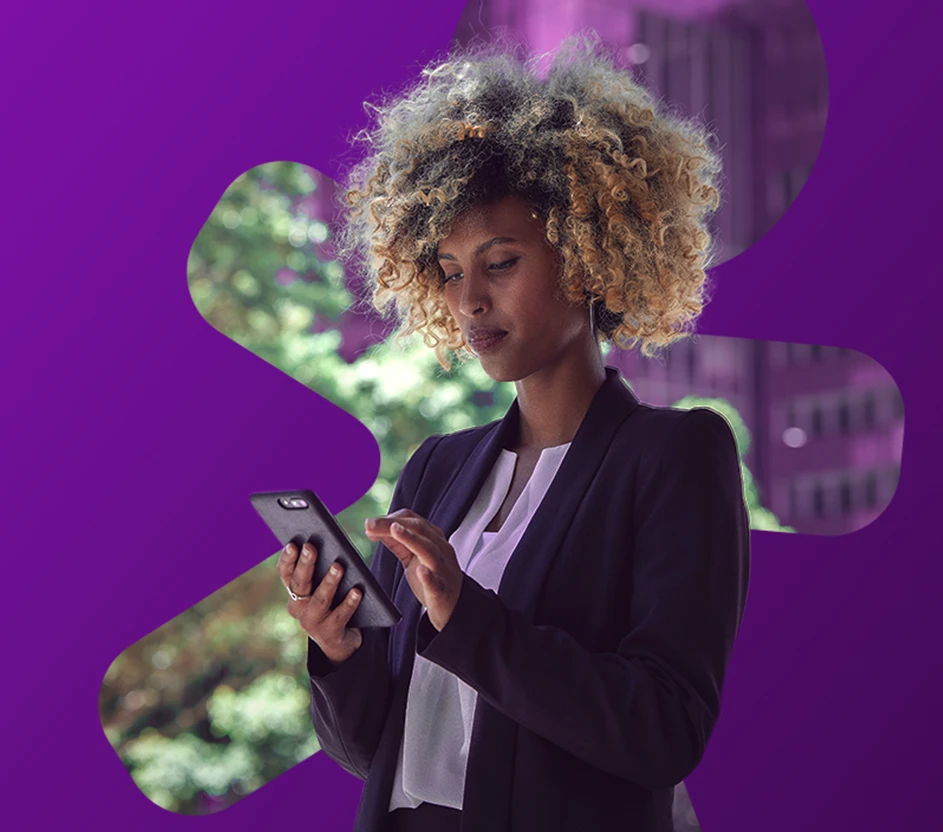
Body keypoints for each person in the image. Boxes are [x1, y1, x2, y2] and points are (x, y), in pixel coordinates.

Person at [277, 32, 750, 832]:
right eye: (452, 272)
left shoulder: (672, 457)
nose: (469, 302)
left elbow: (663, 728)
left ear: (587, 255)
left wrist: (469, 619)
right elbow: (378, 755)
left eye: (500, 263)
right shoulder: (435, 470)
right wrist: (339, 653)